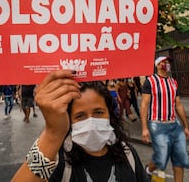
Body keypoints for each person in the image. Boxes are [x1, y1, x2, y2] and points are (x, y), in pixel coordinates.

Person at [12, 70, 148, 181]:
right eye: (80, 116)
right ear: (69, 120)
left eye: (98, 112)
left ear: (110, 114)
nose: (91, 122)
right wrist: (52, 133)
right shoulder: (60, 162)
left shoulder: (127, 153)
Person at [141, 56, 189, 181]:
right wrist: (144, 128)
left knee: (179, 159)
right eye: (164, 62)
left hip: (174, 123)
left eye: (168, 62)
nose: (167, 64)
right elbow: (144, 104)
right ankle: (148, 169)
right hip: (157, 124)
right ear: (157, 65)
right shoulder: (150, 81)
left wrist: (186, 126)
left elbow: (178, 104)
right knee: (161, 158)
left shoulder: (173, 82)